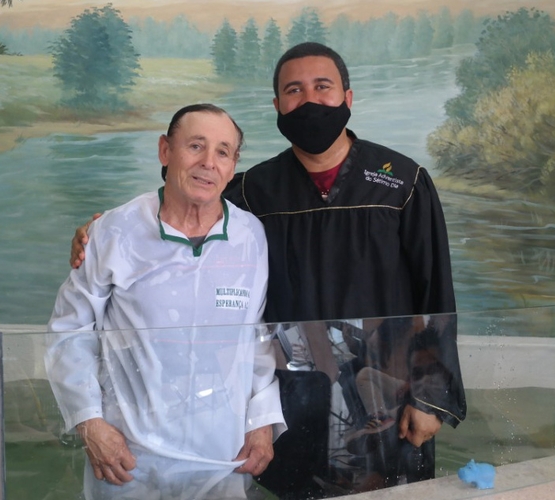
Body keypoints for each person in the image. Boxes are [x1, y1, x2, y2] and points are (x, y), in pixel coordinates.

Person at [70, 43, 466, 493]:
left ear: (348, 98)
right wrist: (100, 231)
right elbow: (186, 199)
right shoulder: (254, 191)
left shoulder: (401, 183)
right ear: (277, 106)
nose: (310, 100)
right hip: (292, 397)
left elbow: (436, 294)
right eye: (293, 91)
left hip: (387, 391)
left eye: (323, 87)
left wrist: (430, 396)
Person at [46, 103, 286, 500]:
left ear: (233, 166)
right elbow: (69, 330)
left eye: (223, 152)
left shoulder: (250, 237)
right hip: (129, 460)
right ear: (165, 151)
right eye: (196, 146)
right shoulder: (114, 231)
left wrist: (261, 421)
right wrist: (89, 422)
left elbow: (256, 338)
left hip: (221, 457)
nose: (208, 162)